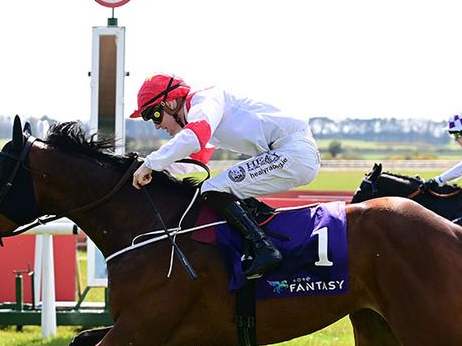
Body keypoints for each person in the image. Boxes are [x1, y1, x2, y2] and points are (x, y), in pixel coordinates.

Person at [130, 73, 321, 279]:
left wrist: (150, 163)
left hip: (293, 152)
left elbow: (193, 138)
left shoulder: (204, 100)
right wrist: (151, 170)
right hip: (289, 152)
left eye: (154, 115)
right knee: (217, 188)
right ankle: (257, 245)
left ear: (171, 102)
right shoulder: (201, 116)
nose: (156, 125)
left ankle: (263, 248)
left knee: (213, 188)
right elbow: (194, 161)